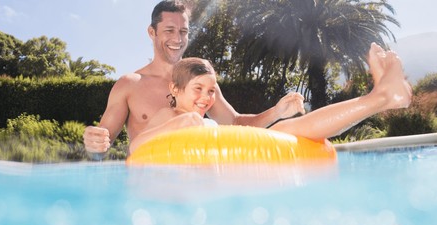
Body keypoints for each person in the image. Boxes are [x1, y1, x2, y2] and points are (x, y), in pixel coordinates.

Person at [83, 0, 305, 159]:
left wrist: (277, 112)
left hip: (192, 176)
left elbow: (235, 123)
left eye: (183, 31)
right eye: (169, 30)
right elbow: (103, 142)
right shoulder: (129, 85)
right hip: (149, 181)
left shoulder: (202, 83)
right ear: (152, 32)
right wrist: (94, 145)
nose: (177, 39)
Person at [129, 43, 412, 154]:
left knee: (288, 130)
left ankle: (382, 98)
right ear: (175, 89)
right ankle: (381, 98)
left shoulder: (201, 119)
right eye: (198, 89)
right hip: (215, 176)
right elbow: (136, 147)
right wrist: (178, 124)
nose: (206, 98)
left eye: (211, 90)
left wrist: (277, 110)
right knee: (285, 133)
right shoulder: (170, 115)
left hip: (229, 166)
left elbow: (240, 125)